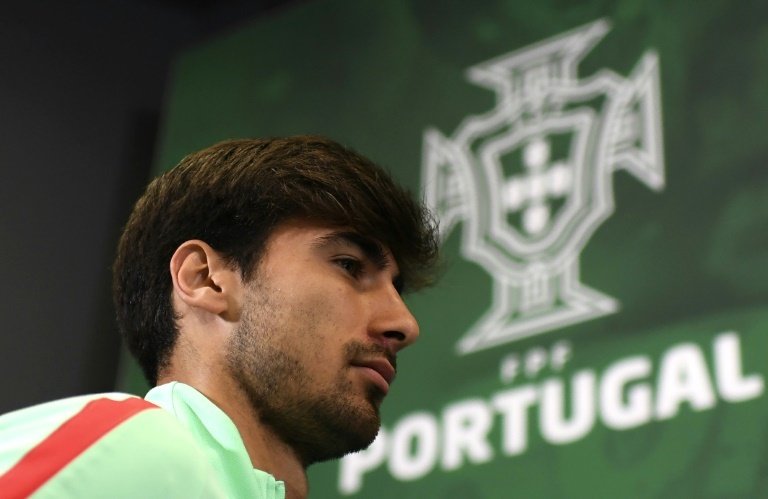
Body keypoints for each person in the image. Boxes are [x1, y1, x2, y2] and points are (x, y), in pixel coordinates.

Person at [0, 136, 439, 498]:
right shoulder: (131, 452)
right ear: (205, 280)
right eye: (349, 265)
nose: (405, 324)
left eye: (396, 289)